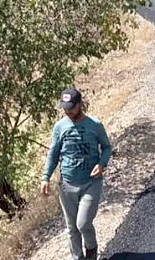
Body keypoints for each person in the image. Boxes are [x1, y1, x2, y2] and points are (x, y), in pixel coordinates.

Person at [41, 88, 112, 260]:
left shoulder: (94, 125)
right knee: (72, 228)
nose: (68, 111)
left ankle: (91, 250)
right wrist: (46, 177)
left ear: (80, 104)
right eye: (65, 108)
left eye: (71, 107)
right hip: (66, 185)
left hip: (91, 182)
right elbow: (54, 153)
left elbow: (107, 148)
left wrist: (102, 164)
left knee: (83, 223)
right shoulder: (59, 127)